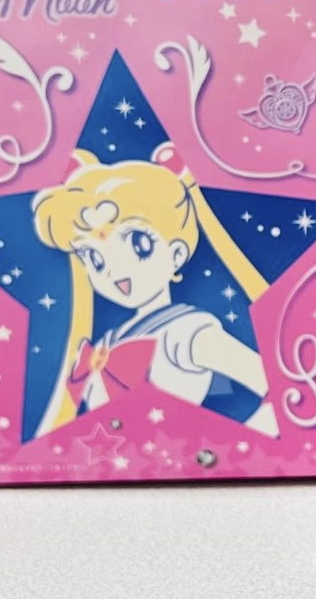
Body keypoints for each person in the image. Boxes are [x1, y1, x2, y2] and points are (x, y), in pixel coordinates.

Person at [31, 143, 279, 437]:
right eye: (95, 258)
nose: (113, 269)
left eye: (139, 245)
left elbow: (279, 390)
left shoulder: (186, 332)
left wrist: (236, 448)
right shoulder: (104, 346)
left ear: (176, 254)